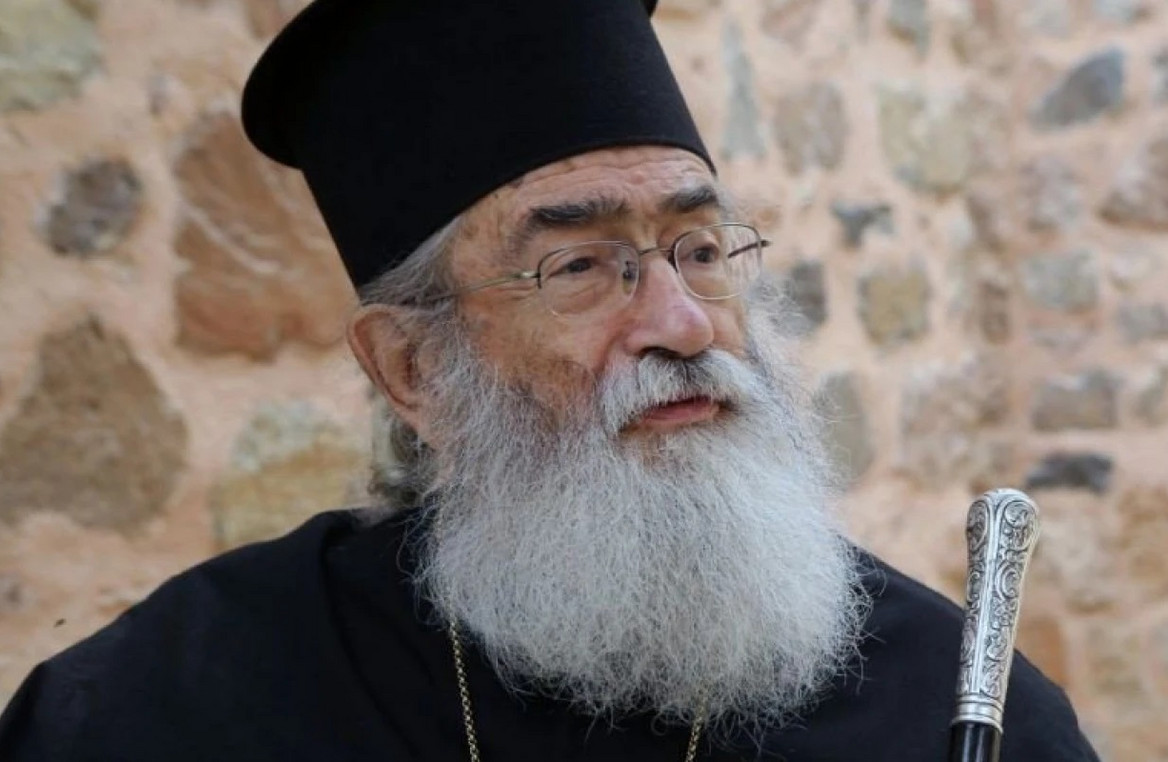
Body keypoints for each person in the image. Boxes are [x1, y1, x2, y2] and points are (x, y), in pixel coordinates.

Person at [0, 1, 1099, 760]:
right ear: (414, 368)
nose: (681, 323)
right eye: (579, 267)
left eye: (700, 250)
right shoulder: (163, 711)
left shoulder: (956, 712)